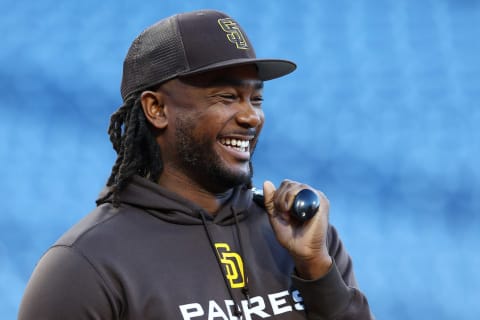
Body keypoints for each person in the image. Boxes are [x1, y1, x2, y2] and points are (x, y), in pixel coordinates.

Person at [18, 9, 374, 320]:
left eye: (256, 98)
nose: (252, 116)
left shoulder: (305, 237)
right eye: (227, 97)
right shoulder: (85, 265)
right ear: (156, 109)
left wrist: (317, 270)